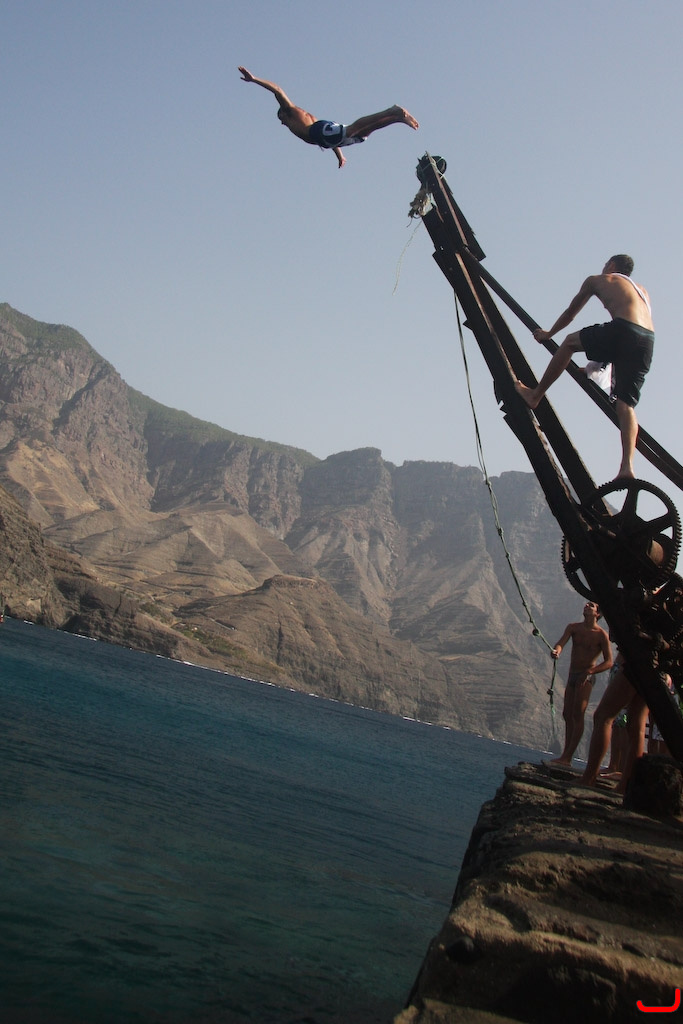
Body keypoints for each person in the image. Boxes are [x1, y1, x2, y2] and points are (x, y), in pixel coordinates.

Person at [515, 255, 654, 479]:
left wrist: (548, 334)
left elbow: (570, 314)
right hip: (647, 340)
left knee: (570, 342)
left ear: (611, 266)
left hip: (623, 330)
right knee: (626, 404)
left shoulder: (598, 280)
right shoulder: (642, 292)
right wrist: (591, 369)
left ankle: (535, 395)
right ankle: (627, 467)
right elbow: (626, 344)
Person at [238, 67, 418, 169]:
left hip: (318, 132)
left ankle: (390, 111)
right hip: (325, 137)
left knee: (353, 129)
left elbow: (277, 90)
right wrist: (340, 155)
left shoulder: (291, 111)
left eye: (281, 118)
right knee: (363, 134)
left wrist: (254, 79)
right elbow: (331, 138)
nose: (282, 122)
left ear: (284, 113)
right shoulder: (310, 121)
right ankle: (397, 118)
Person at [548, 600, 612, 767]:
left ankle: (568, 756)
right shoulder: (573, 628)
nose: (586, 606)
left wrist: (590, 671)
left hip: (586, 678)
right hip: (572, 675)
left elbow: (609, 661)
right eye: (586, 604)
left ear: (598, 613)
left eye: (591, 605)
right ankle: (565, 755)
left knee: (578, 715)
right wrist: (557, 651)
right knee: (567, 714)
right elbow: (561, 643)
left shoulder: (601, 635)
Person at [579, 653, 648, 793]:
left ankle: (589, 778)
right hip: (653, 669)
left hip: (635, 663)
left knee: (603, 717)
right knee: (636, 727)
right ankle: (625, 786)